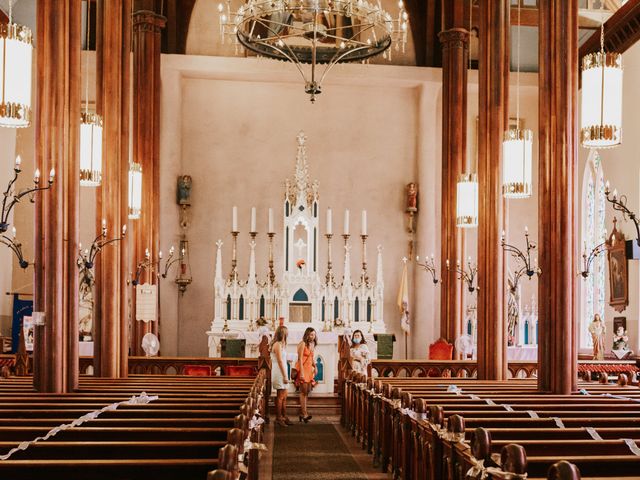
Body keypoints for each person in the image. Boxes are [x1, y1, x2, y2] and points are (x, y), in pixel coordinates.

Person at [270, 326, 292, 427]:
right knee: (280, 396)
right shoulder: (277, 345)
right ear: (282, 334)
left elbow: (282, 359)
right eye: (286, 333)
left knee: (285, 396)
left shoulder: (281, 344)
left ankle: (284, 416)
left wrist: (287, 361)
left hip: (283, 370)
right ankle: (278, 418)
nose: (287, 335)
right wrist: (284, 375)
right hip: (279, 372)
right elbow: (279, 361)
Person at [296, 327, 317, 423]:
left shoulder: (311, 345)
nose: (313, 336)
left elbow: (311, 357)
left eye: (314, 334)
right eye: (311, 334)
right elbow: (300, 359)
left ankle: (303, 413)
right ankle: (304, 413)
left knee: (307, 392)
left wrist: (315, 366)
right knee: (303, 392)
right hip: (303, 370)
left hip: (309, 370)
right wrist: (302, 373)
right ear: (307, 334)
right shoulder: (302, 344)